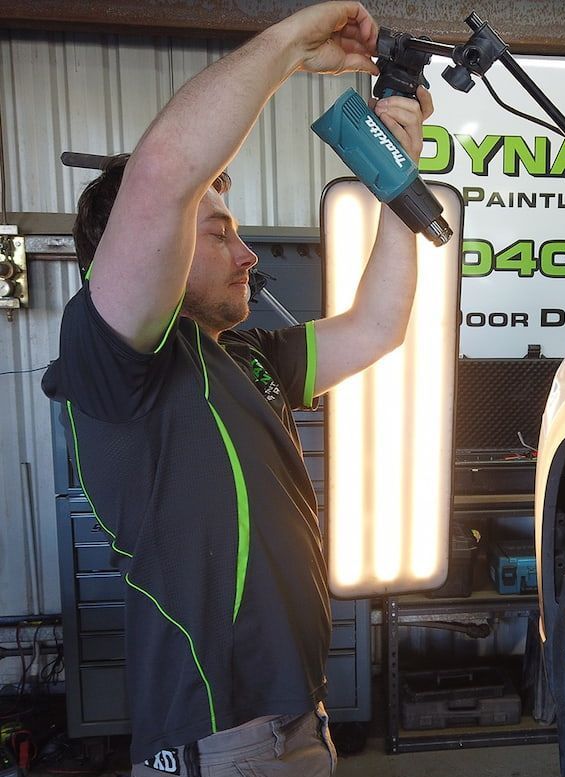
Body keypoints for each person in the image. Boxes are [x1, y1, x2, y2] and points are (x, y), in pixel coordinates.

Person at [42, 3, 433, 775]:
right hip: (218, 740)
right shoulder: (115, 358)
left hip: (301, 718)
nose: (249, 254)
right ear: (140, 249)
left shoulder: (249, 357)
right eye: (218, 232)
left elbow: (380, 325)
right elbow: (163, 175)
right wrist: (292, 45)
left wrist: (400, 173)